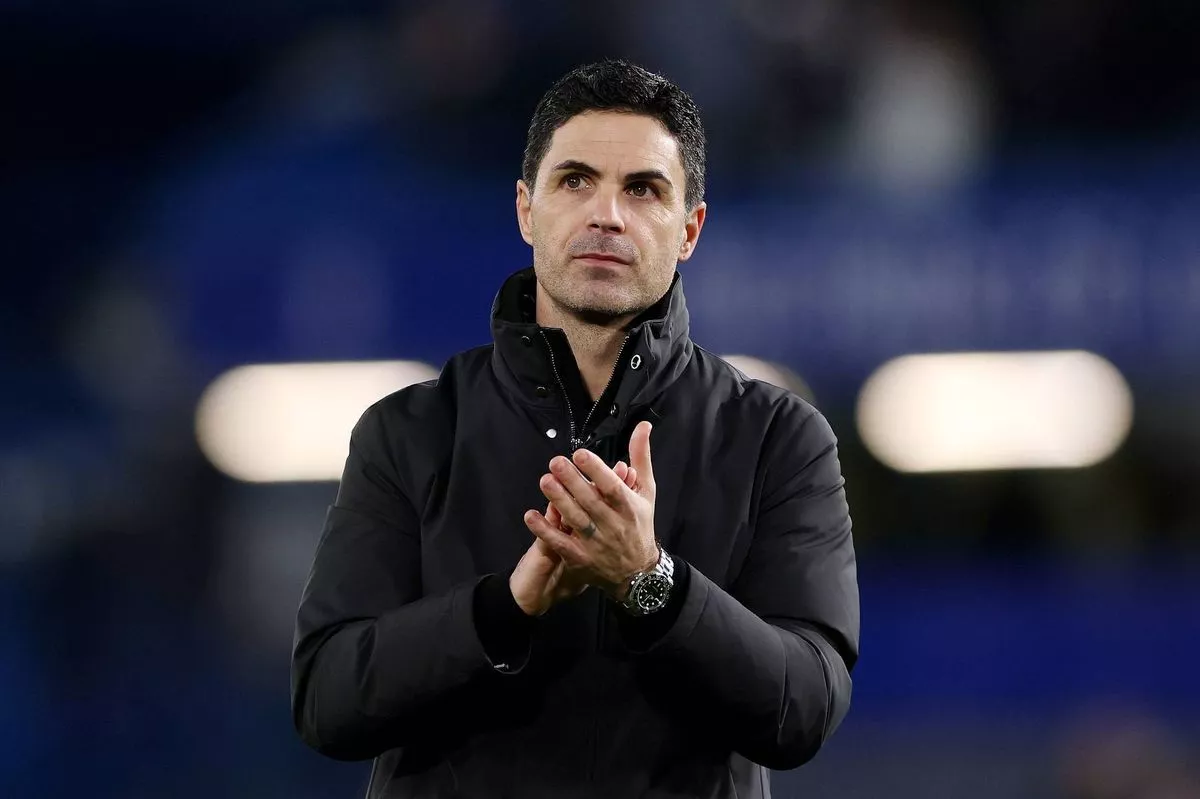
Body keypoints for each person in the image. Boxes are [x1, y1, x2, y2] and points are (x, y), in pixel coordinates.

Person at [291, 59, 859, 799]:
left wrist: (651, 581)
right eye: (575, 180)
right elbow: (327, 700)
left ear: (690, 230)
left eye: (643, 189)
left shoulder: (779, 437)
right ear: (527, 209)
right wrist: (505, 608)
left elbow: (805, 707)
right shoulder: (407, 431)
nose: (607, 214)